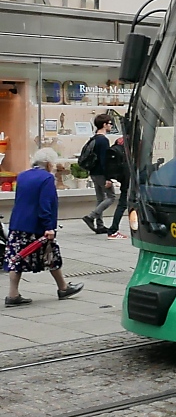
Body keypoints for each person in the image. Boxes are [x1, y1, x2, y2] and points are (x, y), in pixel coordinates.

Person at [4, 148, 83, 307]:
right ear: (48, 163)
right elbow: (45, 204)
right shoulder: (47, 178)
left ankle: (13, 294)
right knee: (51, 255)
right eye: (52, 164)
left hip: (18, 222)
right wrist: (49, 227)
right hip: (37, 225)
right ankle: (63, 288)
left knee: (17, 258)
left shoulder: (22, 175)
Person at [82, 114, 116, 235]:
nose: (111, 125)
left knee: (100, 198)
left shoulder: (94, 139)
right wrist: (108, 178)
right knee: (112, 196)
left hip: (93, 173)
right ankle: (91, 217)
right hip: (101, 174)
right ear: (104, 125)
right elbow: (104, 160)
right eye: (110, 123)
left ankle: (99, 225)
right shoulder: (103, 140)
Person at [104, 134, 130, 239]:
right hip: (131, 178)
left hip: (124, 178)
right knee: (123, 204)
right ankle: (113, 230)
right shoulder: (134, 142)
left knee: (122, 204)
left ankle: (113, 229)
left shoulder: (120, 141)